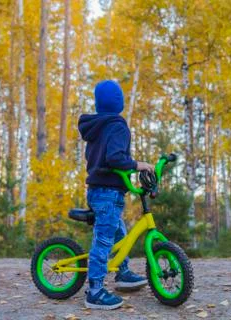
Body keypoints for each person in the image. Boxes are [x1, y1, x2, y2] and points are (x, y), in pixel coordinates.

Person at [78, 80, 155, 310]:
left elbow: (94, 159)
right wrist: (139, 164)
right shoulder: (117, 125)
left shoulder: (96, 126)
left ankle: (122, 273)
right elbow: (115, 158)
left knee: (119, 232)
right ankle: (94, 291)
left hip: (98, 190)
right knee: (103, 240)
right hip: (108, 193)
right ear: (119, 102)